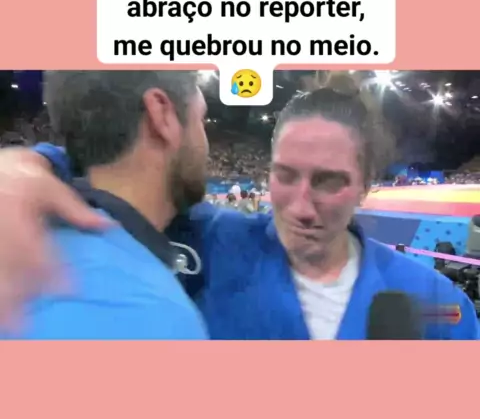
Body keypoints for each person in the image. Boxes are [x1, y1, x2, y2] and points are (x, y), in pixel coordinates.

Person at [0, 83, 477, 339]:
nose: (301, 206)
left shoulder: (434, 301)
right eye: (284, 175)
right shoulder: (212, 239)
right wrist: (27, 164)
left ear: (366, 185)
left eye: (328, 181)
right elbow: (108, 172)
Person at [0, 71, 209, 339]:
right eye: (201, 120)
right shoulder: (151, 312)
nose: (205, 142)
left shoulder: (25, 241)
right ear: (162, 114)